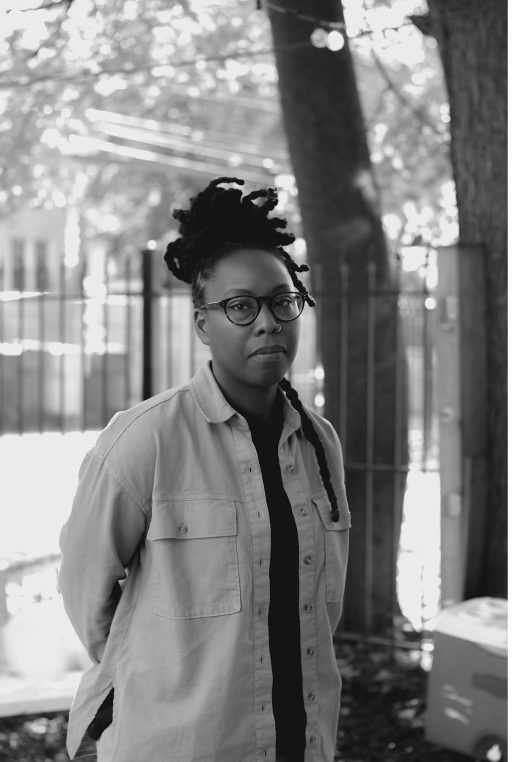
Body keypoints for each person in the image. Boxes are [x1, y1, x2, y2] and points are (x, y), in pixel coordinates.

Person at [59, 177, 351, 762]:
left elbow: (323, 606)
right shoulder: (146, 441)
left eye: (282, 301)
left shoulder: (320, 443)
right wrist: (160, 675)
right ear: (202, 325)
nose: (267, 321)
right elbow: (85, 594)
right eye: (241, 306)